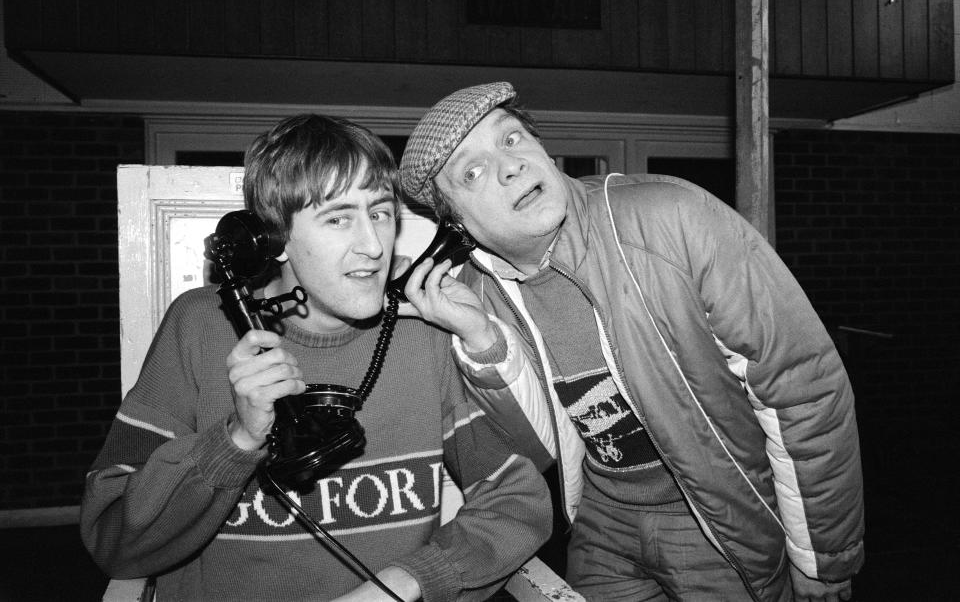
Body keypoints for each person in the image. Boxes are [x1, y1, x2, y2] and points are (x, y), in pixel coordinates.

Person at [398, 82, 864, 602]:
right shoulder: (475, 293)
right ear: (453, 220)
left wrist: (822, 557)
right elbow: (541, 446)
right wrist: (480, 337)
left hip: (711, 518)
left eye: (511, 139)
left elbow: (801, 387)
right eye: (472, 171)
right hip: (600, 522)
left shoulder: (672, 217)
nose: (510, 166)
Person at [80, 113, 551, 601]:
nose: (372, 247)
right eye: (338, 218)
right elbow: (113, 539)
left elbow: (517, 502)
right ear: (275, 239)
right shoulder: (198, 327)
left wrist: (404, 584)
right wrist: (236, 441)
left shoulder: (422, 335)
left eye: (381, 212)